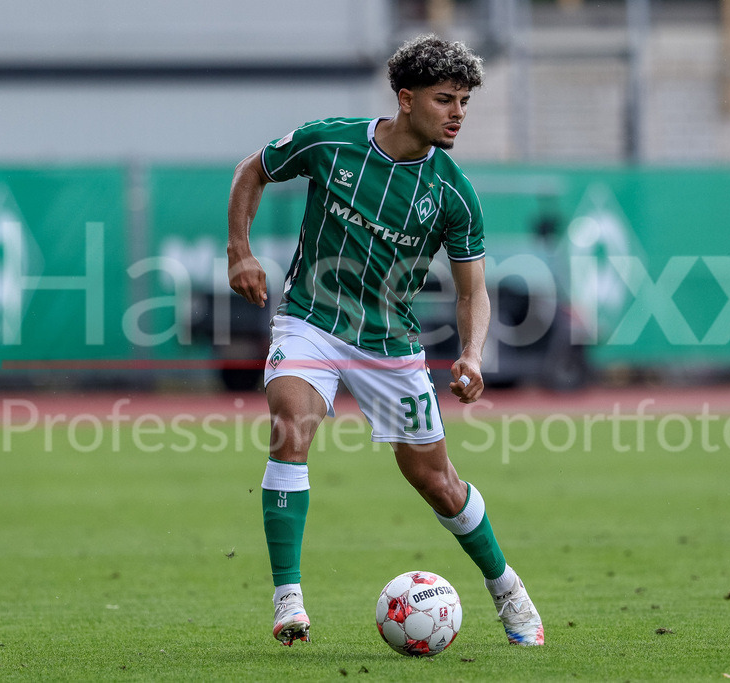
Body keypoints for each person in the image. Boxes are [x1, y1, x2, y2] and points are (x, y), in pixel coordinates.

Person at [226, 34, 544, 648]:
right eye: (446, 99)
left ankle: (507, 589)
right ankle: (287, 598)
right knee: (291, 424)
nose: (458, 114)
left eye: (465, 102)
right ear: (406, 99)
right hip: (310, 317)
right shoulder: (331, 142)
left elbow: (472, 291)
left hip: (390, 341)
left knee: (438, 482)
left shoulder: (453, 192)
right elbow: (252, 171)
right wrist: (240, 250)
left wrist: (474, 355)